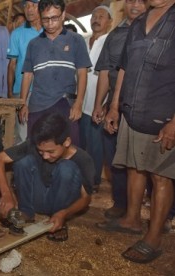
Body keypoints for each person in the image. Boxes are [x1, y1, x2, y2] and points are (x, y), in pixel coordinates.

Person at [102, 0, 175, 263]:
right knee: (134, 166)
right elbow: (124, 68)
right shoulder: (138, 23)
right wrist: (114, 106)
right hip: (132, 111)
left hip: (162, 115)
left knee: (161, 176)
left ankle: (153, 238)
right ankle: (132, 220)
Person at [0, 112, 93, 241]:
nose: (45, 156)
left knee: (67, 168)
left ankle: (59, 220)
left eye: (50, 152)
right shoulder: (34, 144)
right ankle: (26, 212)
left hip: (63, 205)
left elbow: (86, 199)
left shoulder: (83, 159)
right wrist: (6, 194)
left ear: (66, 142)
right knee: (23, 162)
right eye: (41, 151)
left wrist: (64, 213)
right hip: (38, 199)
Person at [91, 0, 147, 218]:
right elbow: (105, 71)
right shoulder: (115, 35)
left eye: (141, 1)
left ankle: (163, 214)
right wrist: (99, 104)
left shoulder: (156, 30)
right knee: (114, 156)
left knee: (144, 161)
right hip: (115, 106)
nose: (135, 5)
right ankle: (121, 203)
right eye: (131, 0)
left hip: (144, 107)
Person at [18, 0, 92, 145]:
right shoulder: (34, 44)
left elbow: (82, 73)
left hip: (65, 104)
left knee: (67, 149)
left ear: (63, 15)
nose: (50, 23)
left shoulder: (76, 40)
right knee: (36, 148)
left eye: (54, 18)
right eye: (45, 19)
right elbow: (27, 75)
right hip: (37, 105)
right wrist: (23, 103)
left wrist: (78, 103)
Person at [79, 5, 113, 193]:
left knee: (95, 144)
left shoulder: (111, 41)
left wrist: (107, 103)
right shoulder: (83, 41)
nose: (96, 19)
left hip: (98, 102)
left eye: (101, 16)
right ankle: (83, 178)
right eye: (93, 15)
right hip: (80, 101)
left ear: (110, 22)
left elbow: (112, 74)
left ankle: (93, 181)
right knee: (81, 141)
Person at [7, 0, 43, 144]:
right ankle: (22, 166)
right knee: (22, 135)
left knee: (43, 134)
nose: (29, 9)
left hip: (44, 92)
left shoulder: (50, 30)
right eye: (27, 6)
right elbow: (12, 65)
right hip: (21, 90)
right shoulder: (17, 33)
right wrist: (10, 91)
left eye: (34, 5)